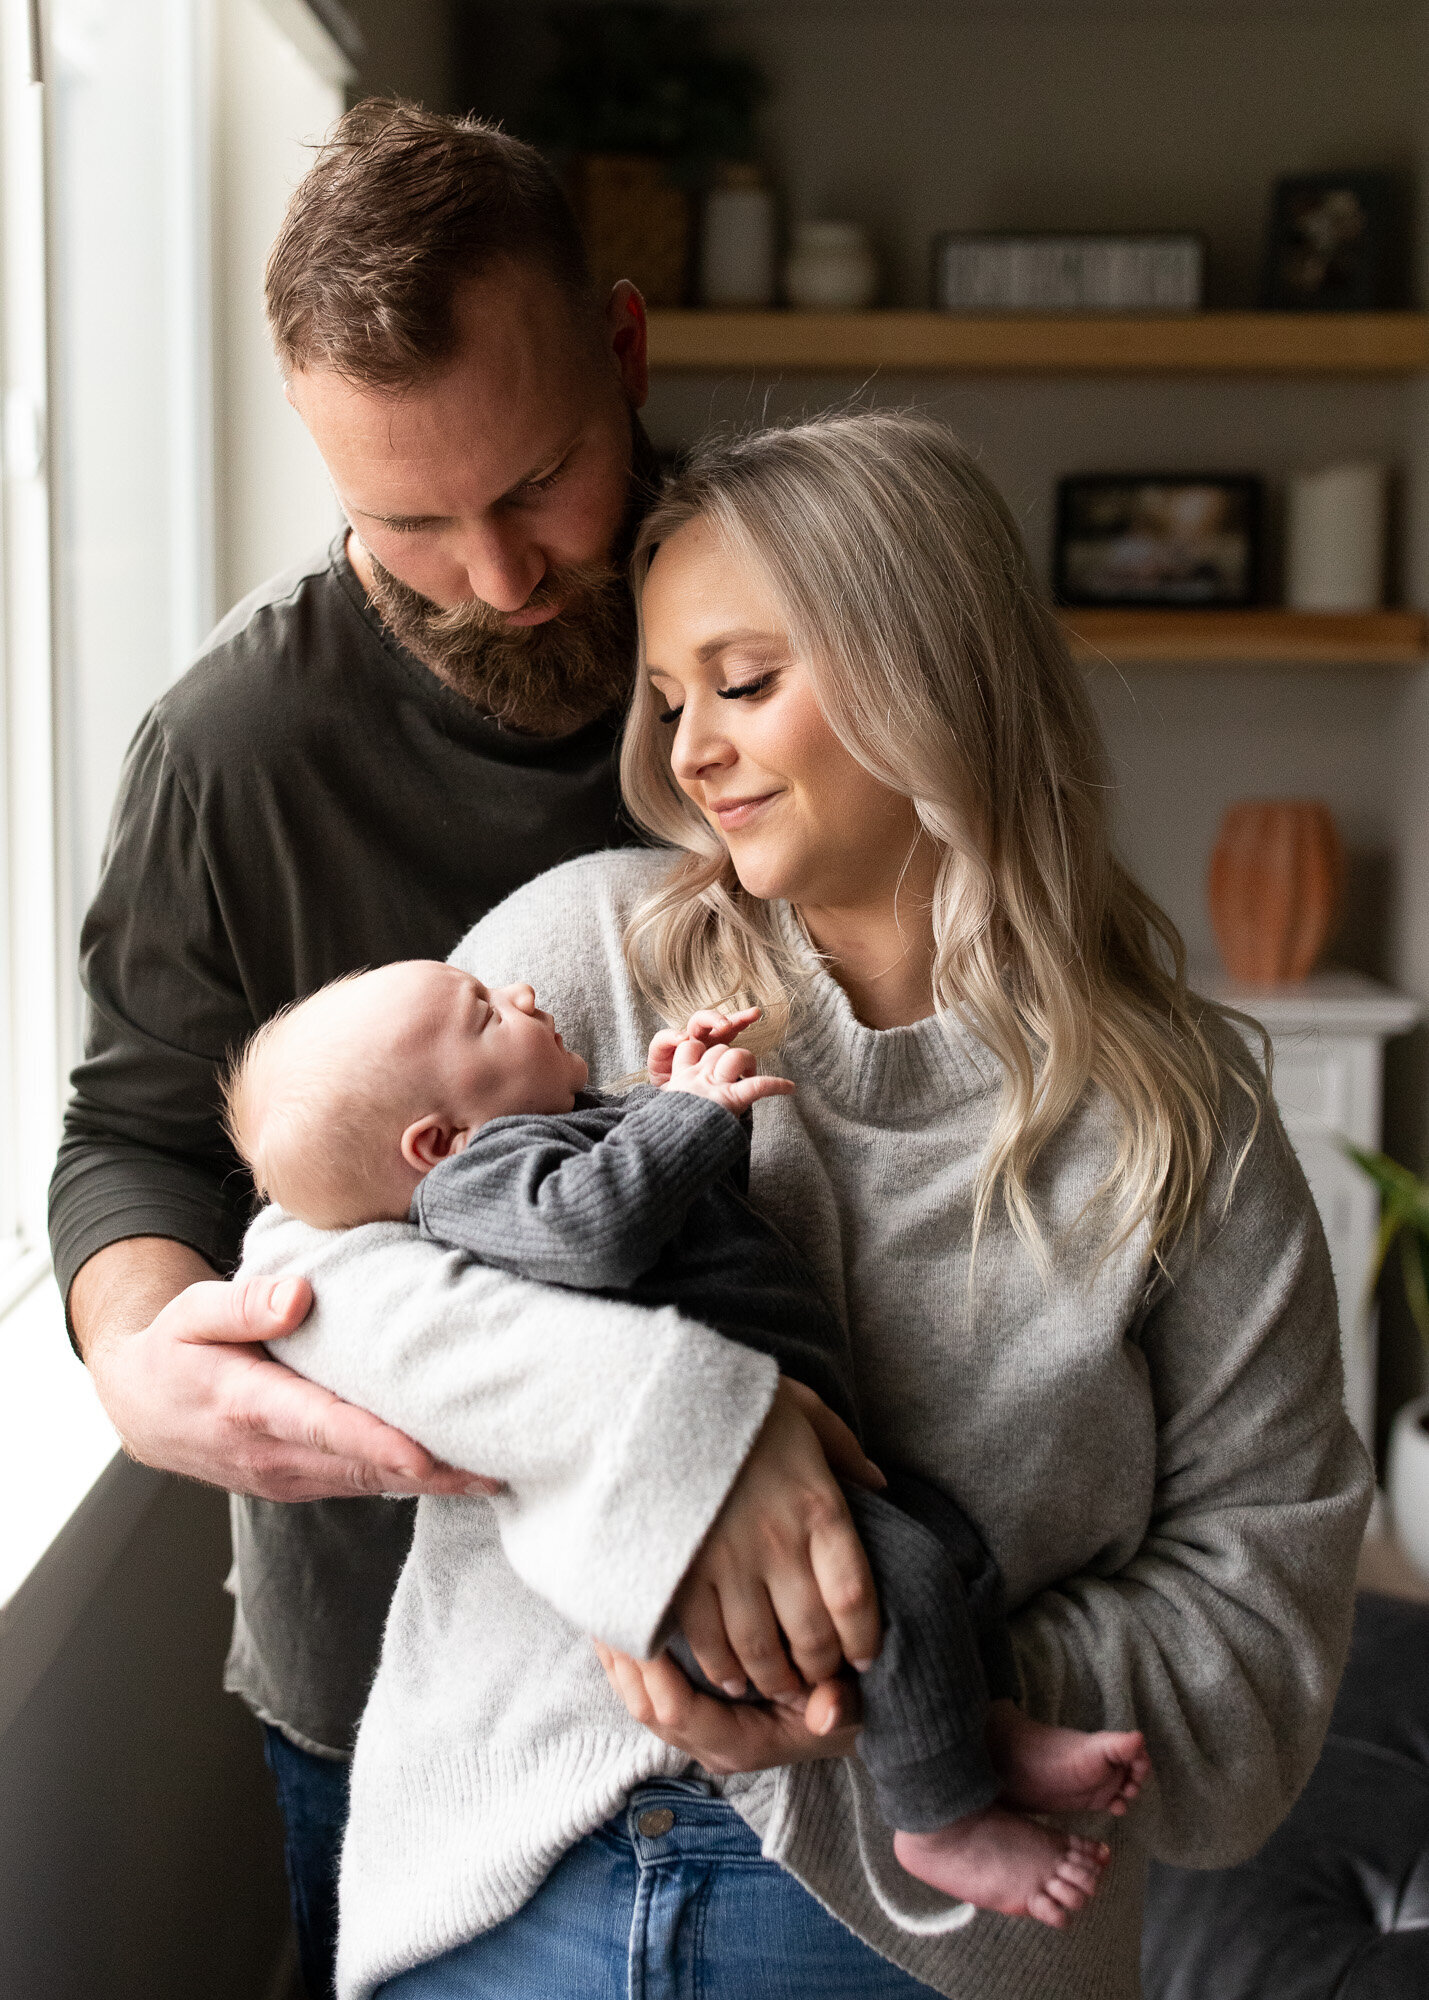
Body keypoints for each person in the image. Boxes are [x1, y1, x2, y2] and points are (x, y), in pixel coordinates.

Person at [234, 411, 1372, 2000]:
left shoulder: (1185, 1121)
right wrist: (682, 1434)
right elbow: (304, 1265)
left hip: (930, 1939)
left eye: (746, 683)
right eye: (670, 698)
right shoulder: (576, 964)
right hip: (503, 1891)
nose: (690, 749)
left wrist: (859, 1669)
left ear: (934, 676)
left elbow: (1255, 1658)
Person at [49, 102, 879, 1999]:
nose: (494, 574)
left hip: (818, 1618)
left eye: (538, 485)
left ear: (627, 351)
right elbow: (134, 1137)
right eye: (405, 522)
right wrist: (137, 1355)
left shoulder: (810, 627)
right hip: (391, 1677)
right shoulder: (231, 748)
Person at [222, 958, 1152, 1923]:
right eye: (487, 1015)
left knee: (950, 1550)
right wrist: (683, 1117)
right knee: (907, 1585)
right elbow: (596, 1232)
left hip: (808, 1450)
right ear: (440, 1140)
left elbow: (687, 1225)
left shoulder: (556, 1134)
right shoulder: (477, 1183)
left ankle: (979, 1734)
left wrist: (684, 1103)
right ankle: (938, 1822)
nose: (529, 995)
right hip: (700, 1516)